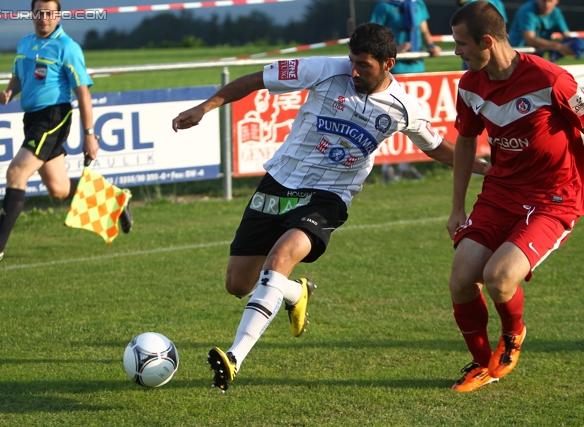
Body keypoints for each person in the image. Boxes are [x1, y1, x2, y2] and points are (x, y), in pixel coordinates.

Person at [172, 22, 490, 392]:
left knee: (281, 257)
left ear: (388, 64)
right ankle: (294, 292)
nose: (353, 71)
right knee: (238, 284)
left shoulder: (404, 107)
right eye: (352, 62)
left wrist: (483, 166)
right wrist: (205, 107)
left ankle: (235, 357)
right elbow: (257, 79)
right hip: (280, 181)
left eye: (364, 66)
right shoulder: (324, 69)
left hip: (329, 196)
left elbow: (435, 146)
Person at [446, 1, 584, 392]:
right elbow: (466, 143)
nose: (456, 52)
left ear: (487, 41)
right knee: (461, 280)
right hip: (500, 193)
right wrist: (456, 207)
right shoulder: (470, 86)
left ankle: (513, 334)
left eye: (461, 43)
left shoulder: (551, 78)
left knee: (499, 280)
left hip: (554, 197)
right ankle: (481, 363)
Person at [0, 0, 133, 265]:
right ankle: (116, 199)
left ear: (58, 16)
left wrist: (89, 133)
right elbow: (19, 76)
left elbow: (83, 92)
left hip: (53, 117)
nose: (43, 17)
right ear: (32, 14)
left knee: (16, 171)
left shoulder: (67, 47)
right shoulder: (24, 44)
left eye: (49, 13)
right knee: (59, 189)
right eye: (39, 12)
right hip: (32, 118)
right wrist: (10, 91)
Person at [369, 0, 442, 183]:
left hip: (417, 68)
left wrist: (431, 45)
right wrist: (394, 49)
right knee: (389, 119)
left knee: (415, 120)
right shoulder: (384, 6)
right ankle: (387, 167)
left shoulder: (418, 4)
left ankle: (405, 165)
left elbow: (424, 30)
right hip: (394, 70)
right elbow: (373, 37)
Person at [508, 0, 578, 61]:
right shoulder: (527, 10)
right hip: (517, 56)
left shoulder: (556, 12)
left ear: (557, 1)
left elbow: (566, 34)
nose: (547, 5)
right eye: (544, 1)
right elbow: (530, 39)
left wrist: (575, 43)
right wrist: (559, 46)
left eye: (550, 1)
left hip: (536, 55)